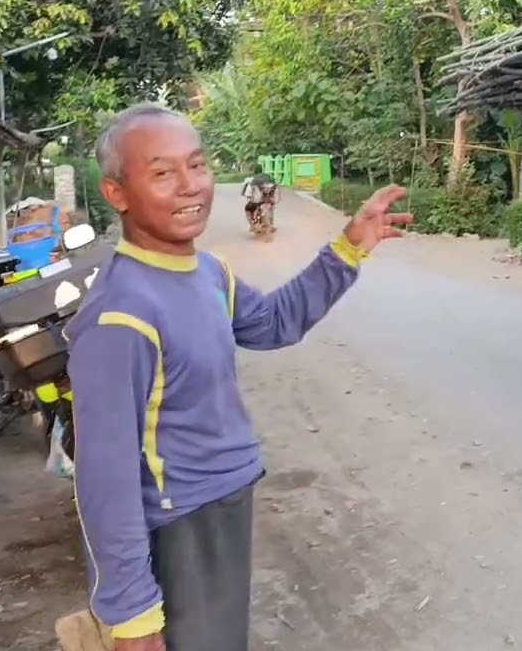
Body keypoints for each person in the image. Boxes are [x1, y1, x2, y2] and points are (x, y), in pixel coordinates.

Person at [64, 102, 411, 651]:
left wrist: (349, 247)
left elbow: (275, 322)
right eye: (161, 173)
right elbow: (103, 479)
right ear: (117, 194)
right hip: (177, 530)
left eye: (197, 166)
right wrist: (132, 615)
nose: (189, 186)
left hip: (225, 504)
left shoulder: (207, 272)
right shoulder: (119, 317)